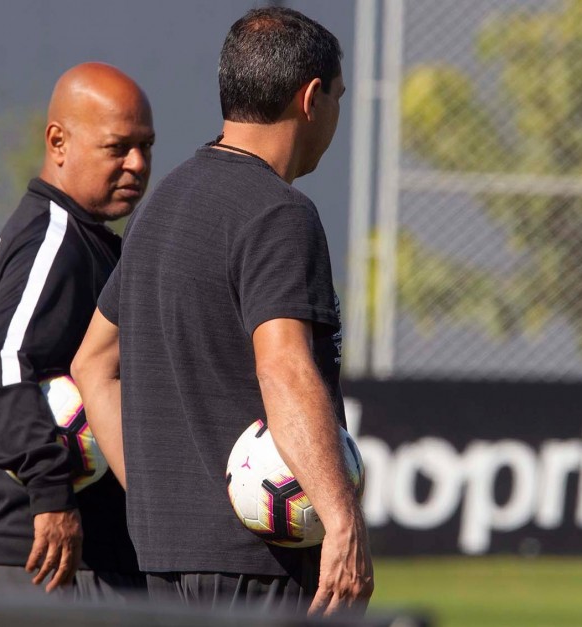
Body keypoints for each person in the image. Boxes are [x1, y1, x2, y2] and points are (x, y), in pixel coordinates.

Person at [72, 6, 373, 617]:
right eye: (340, 97)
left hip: (163, 559)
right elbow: (284, 367)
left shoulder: (162, 206)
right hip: (260, 564)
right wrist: (342, 520)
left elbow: (91, 364)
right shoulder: (279, 212)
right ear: (311, 97)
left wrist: (161, 495)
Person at [0, 62, 155, 599]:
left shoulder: (88, 241)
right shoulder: (53, 240)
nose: (137, 164)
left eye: (147, 146)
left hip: (90, 560)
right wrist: (50, 495)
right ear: (58, 141)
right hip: (55, 560)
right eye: (118, 147)